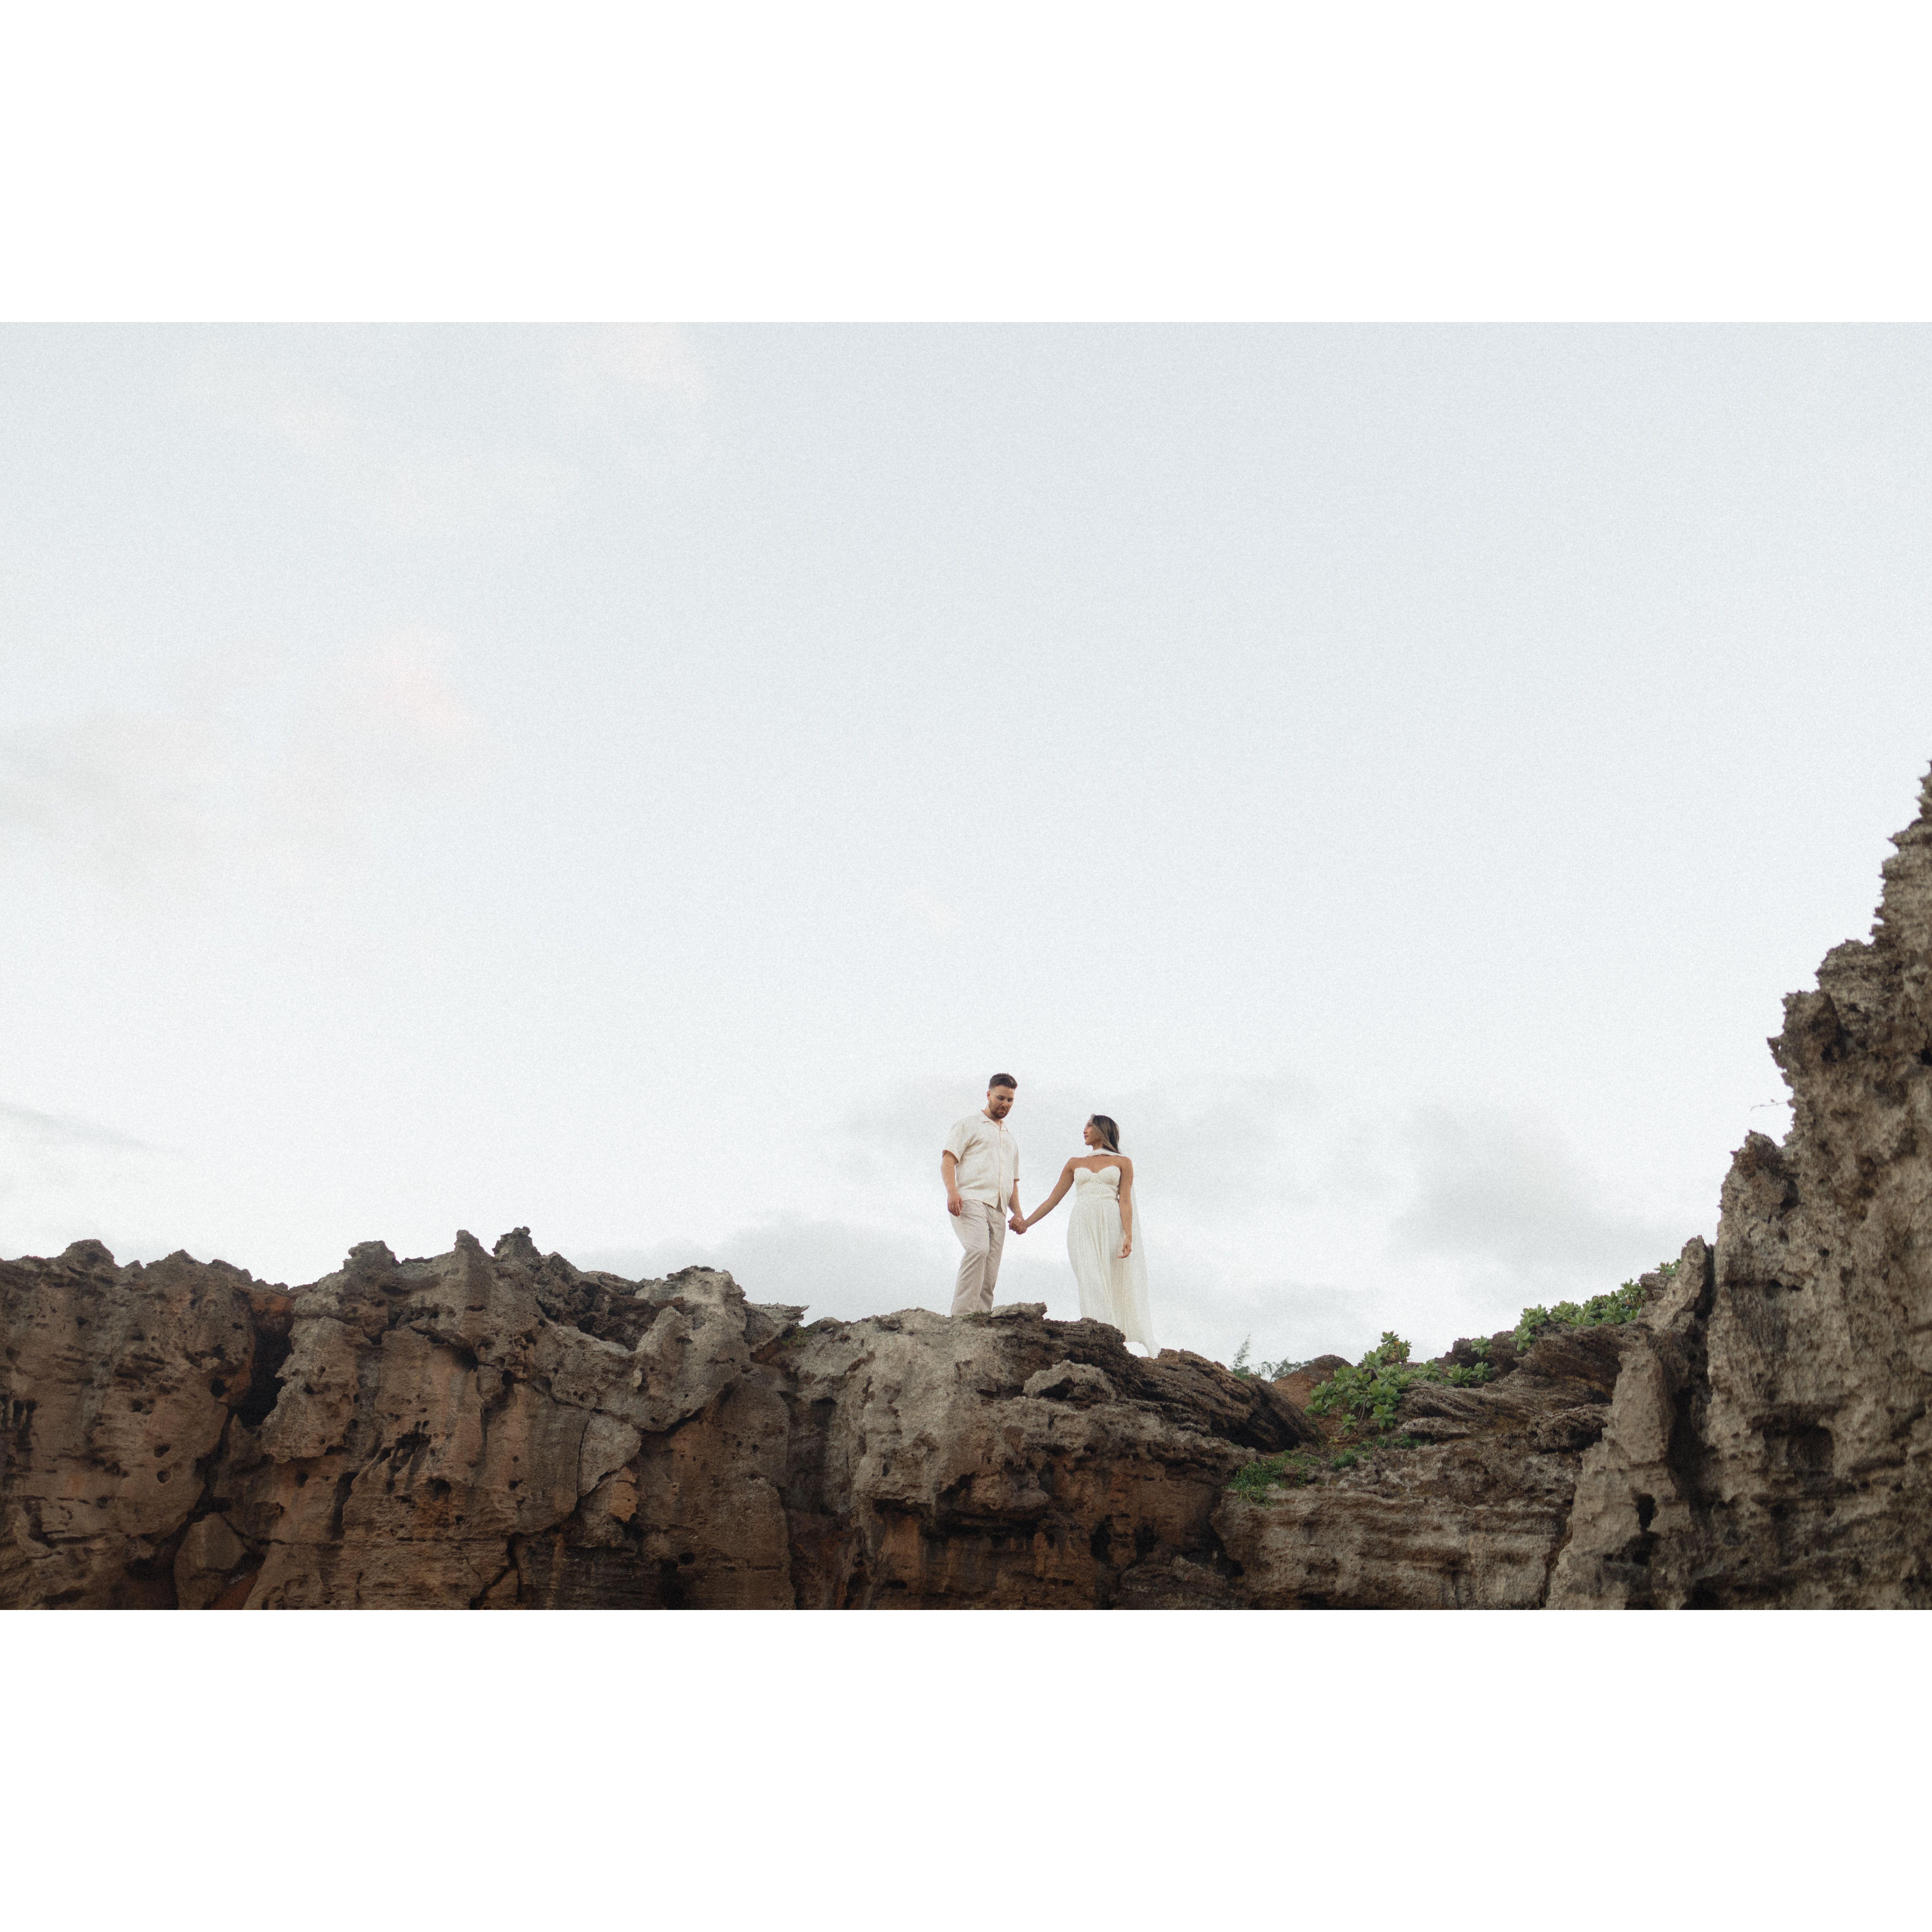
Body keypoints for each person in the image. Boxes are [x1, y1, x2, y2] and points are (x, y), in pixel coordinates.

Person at [1014, 1113, 1157, 1354]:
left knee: (1109, 1279)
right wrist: (1027, 1223)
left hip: (1111, 1223)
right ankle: (1099, 1338)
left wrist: (1129, 1236)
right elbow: (1053, 1199)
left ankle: (1112, 1340)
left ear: (1102, 1130)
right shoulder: (1075, 1163)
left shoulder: (1123, 1162)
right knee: (1090, 1279)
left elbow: (1125, 1201)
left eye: (1090, 1126)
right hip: (1082, 1223)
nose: (1085, 1130)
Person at [941, 1075, 1024, 1316]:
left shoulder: (1010, 1139)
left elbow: (1012, 1182)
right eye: (1001, 1098)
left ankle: (981, 1321)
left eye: (1010, 1100)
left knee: (990, 1272)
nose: (1005, 1104)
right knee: (978, 1250)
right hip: (970, 1200)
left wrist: (1018, 1213)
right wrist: (952, 1192)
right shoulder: (968, 1125)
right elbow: (948, 1161)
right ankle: (961, 1317)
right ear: (989, 1095)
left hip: (999, 1209)